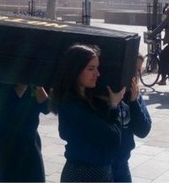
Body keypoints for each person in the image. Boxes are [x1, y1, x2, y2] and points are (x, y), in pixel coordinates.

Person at [51, 44, 125, 182]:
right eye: (91, 69)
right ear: (75, 71)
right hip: (84, 174)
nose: (97, 74)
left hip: (95, 172)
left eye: (97, 68)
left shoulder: (86, 99)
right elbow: (114, 138)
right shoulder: (73, 105)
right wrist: (114, 106)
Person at [0, 83, 49, 182]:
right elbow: (5, 104)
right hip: (5, 136)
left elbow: (46, 107)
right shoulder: (9, 72)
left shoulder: (39, 76)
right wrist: (25, 82)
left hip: (29, 136)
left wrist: (37, 85)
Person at [108, 53, 151, 182]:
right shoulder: (105, 93)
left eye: (138, 70)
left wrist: (133, 102)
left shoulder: (134, 96)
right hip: (102, 165)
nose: (135, 75)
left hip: (121, 163)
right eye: (132, 69)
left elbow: (143, 131)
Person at [148, 5, 169, 85]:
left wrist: (150, 35)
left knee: (162, 57)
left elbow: (159, 28)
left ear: (168, 12)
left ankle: (163, 80)